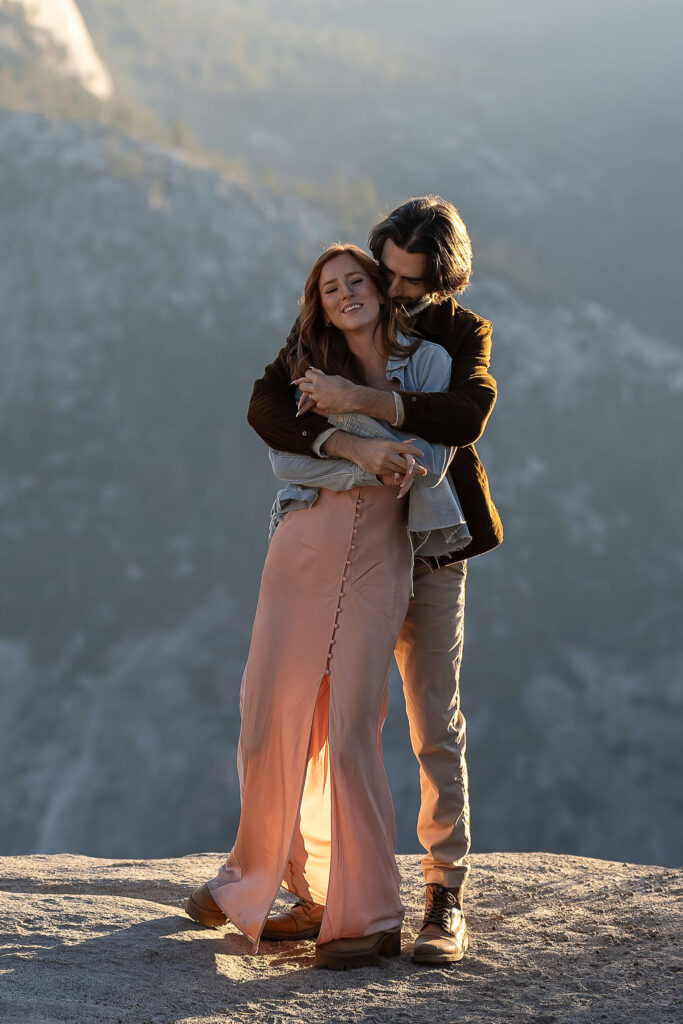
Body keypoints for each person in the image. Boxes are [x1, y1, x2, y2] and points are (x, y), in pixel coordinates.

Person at [186, 244, 471, 970]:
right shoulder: (306, 363)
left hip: (380, 558)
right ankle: (289, 886)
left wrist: (348, 423)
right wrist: (359, 452)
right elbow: (283, 455)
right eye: (329, 287)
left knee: (347, 728)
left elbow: (431, 459)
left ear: (379, 287)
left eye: (355, 281)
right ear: (318, 301)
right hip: (302, 548)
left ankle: (369, 914)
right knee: (269, 721)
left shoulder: (428, 363)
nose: (345, 294)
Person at [242, 197, 503, 965]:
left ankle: (442, 897)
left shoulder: (457, 332)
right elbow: (267, 404)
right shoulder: (334, 312)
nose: (387, 290)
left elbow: (465, 413)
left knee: (429, 718)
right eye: (381, 270)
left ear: (440, 281)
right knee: (327, 713)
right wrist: (338, 441)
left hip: (425, 549)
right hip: (350, 546)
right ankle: (325, 890)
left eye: (407, 283)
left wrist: (361, 402)